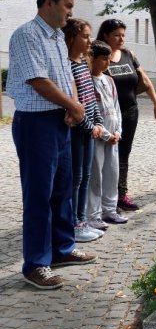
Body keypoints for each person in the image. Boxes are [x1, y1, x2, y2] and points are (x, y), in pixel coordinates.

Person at [7, 0, 96, 290]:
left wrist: (75, 107)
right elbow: (39, 81)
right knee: (39, 194)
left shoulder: (58, 36)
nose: (70, 12)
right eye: (67, 5)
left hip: (60, 120)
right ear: (48, 3)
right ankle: (35, 264)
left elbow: (66, 75)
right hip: (36, 122)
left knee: (62, 189)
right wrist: (73, 105)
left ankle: (61, 248)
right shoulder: (26, 35)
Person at [97, 19, 156, 211]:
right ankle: (103, 198)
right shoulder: (98, 55)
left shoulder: (128, 54)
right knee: (105, 155)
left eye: (123, 35)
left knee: (123, 154)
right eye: (116, 35)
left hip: (129, 111)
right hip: (107, 114)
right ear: (105, 35)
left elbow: (144, 79)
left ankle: (121, 195)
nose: (121, 39)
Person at [62, 18, 105, 242]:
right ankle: (74, 224)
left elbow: (90, 98)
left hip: (88, 128)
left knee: (85, 177)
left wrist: (97, 122)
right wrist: (89, 126)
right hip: (77, 129)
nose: (90, 40)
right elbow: (73, 103)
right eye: (85, 36)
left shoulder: (82, 62)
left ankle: (82, 220)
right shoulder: (66, 65)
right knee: (76, 178)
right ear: (71, 38)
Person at [87, 40, 128, 228]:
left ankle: (110, 209)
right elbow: (90, 111)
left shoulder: (109, 80)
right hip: (97, 136)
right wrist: (105, 134)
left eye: (109, 59)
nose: (108, 63)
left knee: (112, 173)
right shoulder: (87, 81)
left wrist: (118, 130)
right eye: (103, 59)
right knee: (96, 175)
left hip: (113, 135)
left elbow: (116, 107)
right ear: (92, 59)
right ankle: (93, 214)